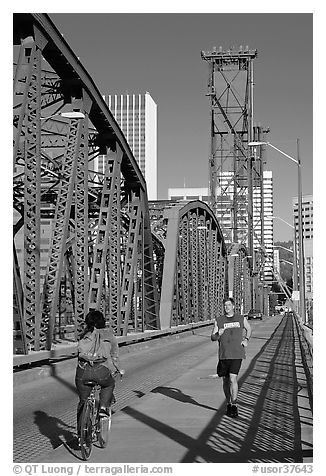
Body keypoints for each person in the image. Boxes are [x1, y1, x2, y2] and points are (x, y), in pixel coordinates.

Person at [75, 310, 123, 437]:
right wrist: (118, 369)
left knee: (83, 401)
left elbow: (79, 355)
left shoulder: (83, 335)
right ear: (103, 322)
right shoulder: (109, 335)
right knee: (109, 385)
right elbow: (114, 356)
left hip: (83, 371)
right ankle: (102, 407)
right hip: (101, 370)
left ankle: (81, 434)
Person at [211, 297, 251, 418]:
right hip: (224, 355)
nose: (226, 307)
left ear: (233, 306)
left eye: (229, 305)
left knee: (233, 379)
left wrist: (246, 339)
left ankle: (234, 405)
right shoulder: (219, 320)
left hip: (237, 354)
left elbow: (248, 329)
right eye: (225, 305)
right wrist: (218, 334)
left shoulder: (240, 318)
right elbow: (213, 337)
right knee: (226, 381)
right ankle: (228, 403)